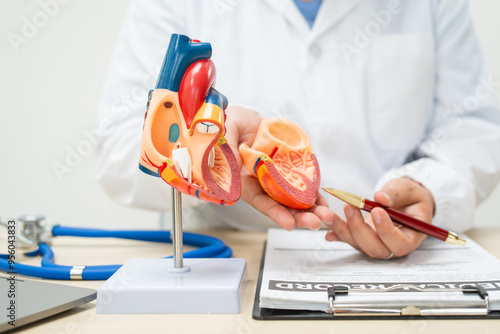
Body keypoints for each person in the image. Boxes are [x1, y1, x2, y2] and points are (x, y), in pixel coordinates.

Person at [96, 0, 500, 259]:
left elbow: (474, 126)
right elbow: (119, 147)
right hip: (229, 255)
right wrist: (210, 150)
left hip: (393, 267)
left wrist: (429, 187)